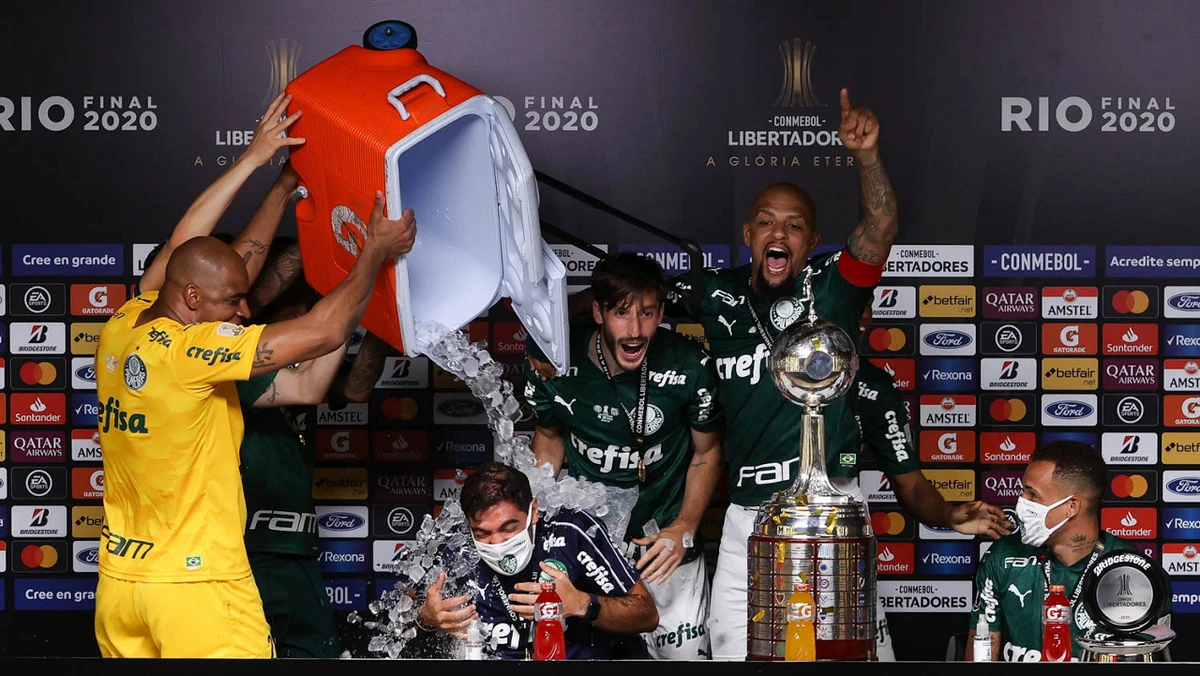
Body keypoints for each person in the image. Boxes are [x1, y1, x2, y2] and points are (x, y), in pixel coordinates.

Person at [94, 90, 417, 657]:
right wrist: (374, 251)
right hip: (199, 589)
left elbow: (185, 248)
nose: (242, 311)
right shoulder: (192, 353)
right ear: (192, 298)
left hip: (124, 586)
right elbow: (321, 334)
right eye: (229, 303)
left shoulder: (126, 322)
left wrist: (270, 175)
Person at [523, 252, 723, 659]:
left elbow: (708, 451)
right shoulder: (556, 360)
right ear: (597, 312)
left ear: (662, 312)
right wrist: (537, 517)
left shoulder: (689, 363)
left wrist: (683, 528)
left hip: (664, 553)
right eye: (620, 313)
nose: (635, 330)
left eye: (648, 313)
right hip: (591, 551)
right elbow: (548, 436)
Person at [850, 304, 1011, 655]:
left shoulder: (873, 387)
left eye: (866, 308)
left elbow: (912, 483)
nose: (863, 317)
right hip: (753, 529)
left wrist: (950, 515)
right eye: (849, 302)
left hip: (844, 542)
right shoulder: (759, 366)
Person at [416, 462, 659, 659]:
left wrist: (582, 604)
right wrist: (427, 616)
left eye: (509, 528)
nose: (498, 542)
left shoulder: (572, 532)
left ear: (534, 511)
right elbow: (399, 613)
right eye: (483, 533)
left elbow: (647, 614)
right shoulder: (456, 546)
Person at [966, 441, 1172, 662]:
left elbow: (1144, 663)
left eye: (1033, 495)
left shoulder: (1132, 571)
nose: (1020, 505)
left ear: (1071, 507)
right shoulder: (1003, 555)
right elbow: (980, 656)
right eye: (1022, 492)